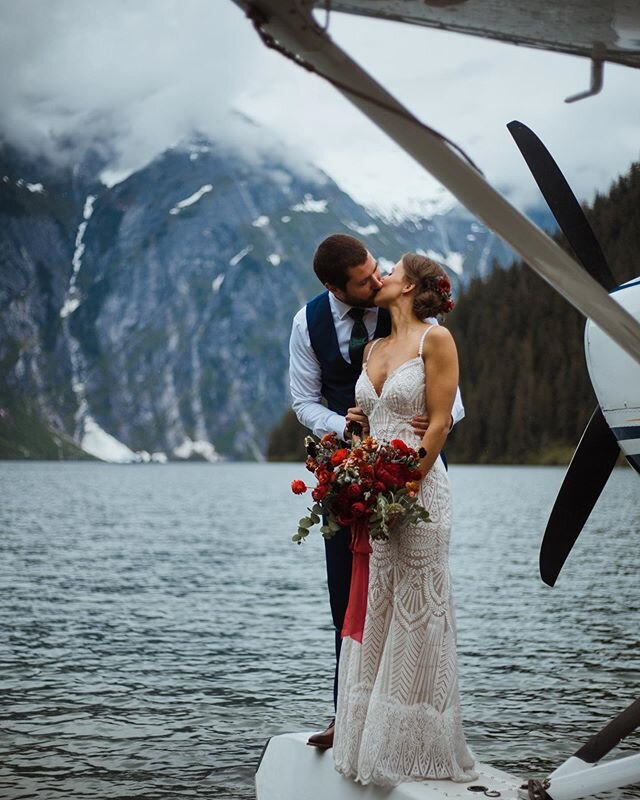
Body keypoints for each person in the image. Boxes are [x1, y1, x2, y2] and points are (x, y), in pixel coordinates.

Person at [289, 234, 464, 750]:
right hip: (348, 475)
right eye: (364, 279)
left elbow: (452, 408)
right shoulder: (308, 323)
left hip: (413, 472)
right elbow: (303, 400)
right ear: (334, 287)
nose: (376, 279)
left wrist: (417, 438)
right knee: (348, 596)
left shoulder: (423, 329)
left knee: (411, 598)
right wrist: (350, 431)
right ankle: (349, 717)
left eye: (377, 270)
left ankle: (410, 727)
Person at [332, 252, 477, 785]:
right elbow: (370, 423)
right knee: (381, 609)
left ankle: (421, 746)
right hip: (378, 498)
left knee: (420, 614)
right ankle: (375, 741)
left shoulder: (434, 341)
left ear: (413, 286)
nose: (382, 277)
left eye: (391, 271)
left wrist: (406, 486)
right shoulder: (372, 347)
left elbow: (438, 424)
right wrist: (356, 431)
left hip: (418, 494)